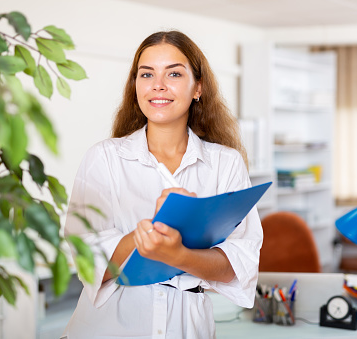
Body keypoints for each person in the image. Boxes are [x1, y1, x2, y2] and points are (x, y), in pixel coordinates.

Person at [62, 30, 262, 339]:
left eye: (174, 73)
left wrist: (178, 254)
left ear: (198, 87)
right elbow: (86, 263)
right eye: (147, 74)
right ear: (135, 86)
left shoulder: (226, 163)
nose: (158, 85)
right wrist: (149, 231)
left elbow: (238, 262)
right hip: (109, 325)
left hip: (187, 326)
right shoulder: (103, 158)